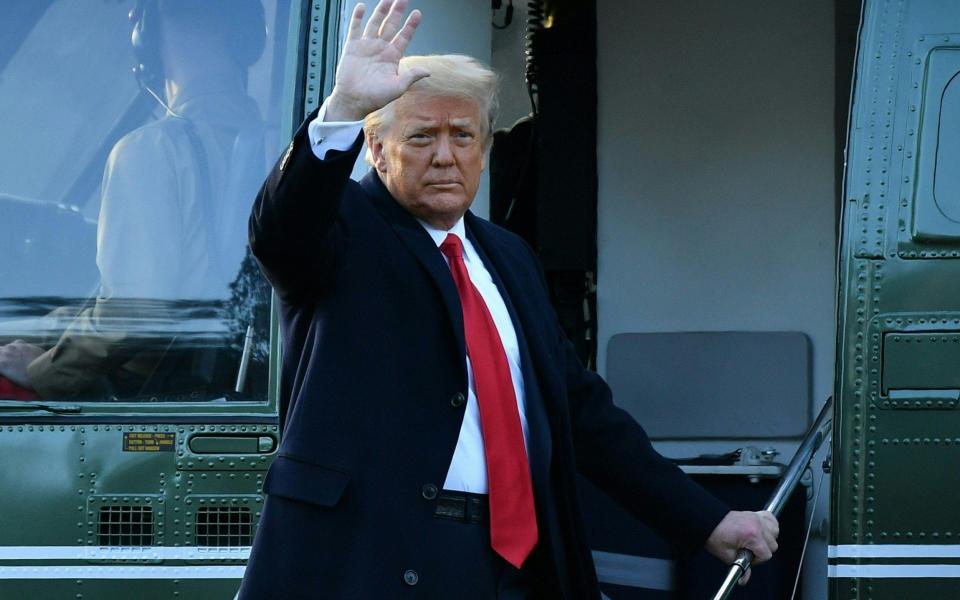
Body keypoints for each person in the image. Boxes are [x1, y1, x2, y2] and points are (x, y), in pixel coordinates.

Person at [238, 1, 779, 597]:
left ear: (485, 149)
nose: (445, 155)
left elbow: (583, 414)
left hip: (513, 565)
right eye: (421, 136)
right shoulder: (343, 229)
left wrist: (708, 520)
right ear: (375, 147)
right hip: (376, 562)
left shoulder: (508, 257)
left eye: (462, 135)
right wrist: (341, 109)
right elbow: (281, 232)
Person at [0, 0, 267, 399]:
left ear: (149, 33)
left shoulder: (151, 150)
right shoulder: (273, 146)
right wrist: (44, 327)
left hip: (147, 391)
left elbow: (139, 312)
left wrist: (44, 371)